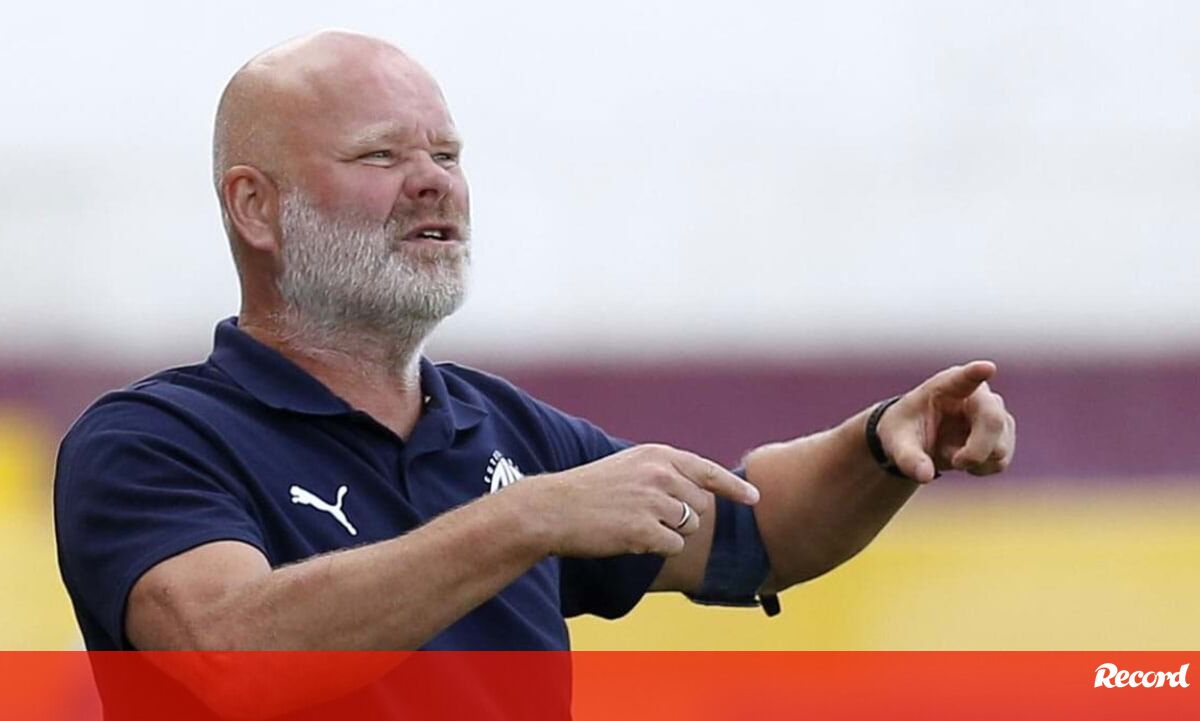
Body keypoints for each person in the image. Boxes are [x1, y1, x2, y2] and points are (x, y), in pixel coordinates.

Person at [54, 28, 1015, 717]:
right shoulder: (152, 440)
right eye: (381, 154)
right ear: (255, 208)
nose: (434, 180)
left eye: (447, 153)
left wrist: (881, 443)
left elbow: (756, 531)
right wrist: (526, 517)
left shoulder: (503, 429)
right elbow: (230, 654)